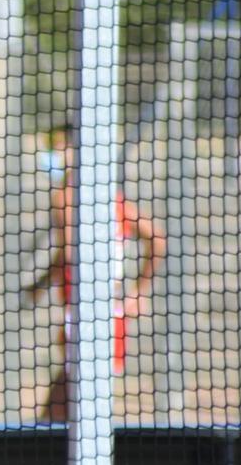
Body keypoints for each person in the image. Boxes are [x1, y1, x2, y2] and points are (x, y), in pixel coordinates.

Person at [26, 124, 166, 423]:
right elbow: (157, 239)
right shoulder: (111, 200)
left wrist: (41, 284)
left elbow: (69, 253)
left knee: (69, 409)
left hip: (84, 311)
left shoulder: (65, 198)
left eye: (59, 148)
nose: (54, 155)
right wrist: (139, 291)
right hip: (111, 312)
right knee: (71, 402)